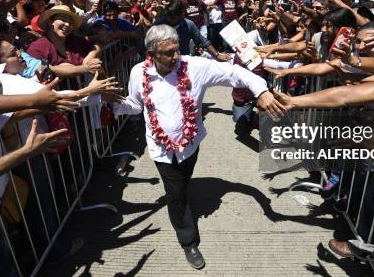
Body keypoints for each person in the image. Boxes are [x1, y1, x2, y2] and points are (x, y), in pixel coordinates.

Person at [112, 25, 286, 269]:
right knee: (175, 193)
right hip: (160, 149)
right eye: (168, 53)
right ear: (151, 54)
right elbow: (135, 105)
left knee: (182, 182)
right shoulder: (137, 72)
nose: (176, 56)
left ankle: (183, 197)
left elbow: (235, 73)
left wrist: (261, 91)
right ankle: (188, 240)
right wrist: (114, 104)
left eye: (177, 50)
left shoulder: (195, 66)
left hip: (190, 146)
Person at [155, 1, 230, 61]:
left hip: (182, 61)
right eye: (167, 16)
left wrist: (217, 55)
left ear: (181, 16)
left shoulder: (188, 25)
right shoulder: (158, 24)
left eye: (172, 17)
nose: (169, 19)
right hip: (162, 61)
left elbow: (203, 41)